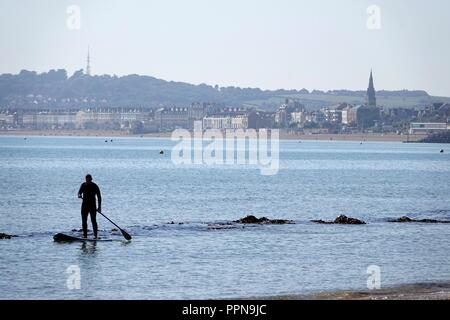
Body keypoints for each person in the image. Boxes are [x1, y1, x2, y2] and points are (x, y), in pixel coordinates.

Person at [77, 174, 102, 239]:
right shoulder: (83, 185)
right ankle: (85, 235)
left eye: (89, 180)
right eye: (86, 180)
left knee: (93, 220)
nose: (88, 181)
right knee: (84, 221)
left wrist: (99, 207)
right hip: (84, 205)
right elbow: (79, 192)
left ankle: (95, 235)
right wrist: (79, 195)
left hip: (92, 206)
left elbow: (99, 197)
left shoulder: (94, 186)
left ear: (91, 179)